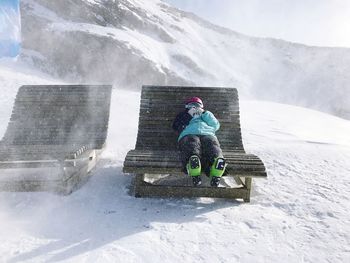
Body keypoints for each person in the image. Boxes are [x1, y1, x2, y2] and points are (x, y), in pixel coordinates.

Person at [172, 97, 226, 187]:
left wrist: (205, 114)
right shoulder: (184, 114)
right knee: (192, 145)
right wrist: (188, 115)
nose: (194, 108)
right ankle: (193, 164)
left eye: (197, 106)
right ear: (187, 107)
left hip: (208, 133)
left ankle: (216, 165)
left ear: (202, 107)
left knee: (212, 145)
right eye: (191, 106)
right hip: (189, 133)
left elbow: (216, 125)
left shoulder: (206, 114)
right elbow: (176, 126)